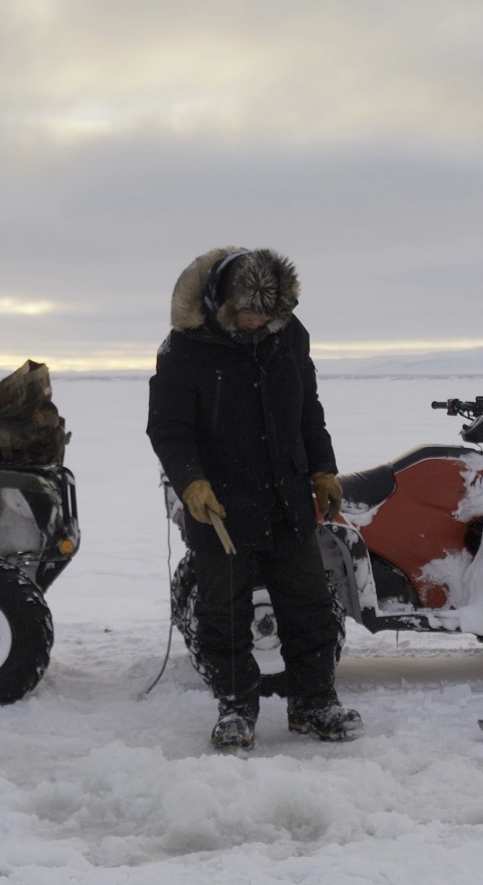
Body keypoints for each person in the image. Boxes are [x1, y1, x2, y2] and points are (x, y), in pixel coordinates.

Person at [146, 247, 361, 750]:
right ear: (222, 302)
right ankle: (236, 708)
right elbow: (168, 429)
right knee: (224, 613)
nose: (259, 321)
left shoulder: (289, 336)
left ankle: (314, 703)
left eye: (268, 311)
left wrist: (322, 468)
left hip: (284, 498)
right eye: (249, 310)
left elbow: (308, 409)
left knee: (309, 606)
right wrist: (190, 481)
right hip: (220, 506)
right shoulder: (183, 349)